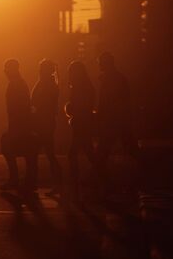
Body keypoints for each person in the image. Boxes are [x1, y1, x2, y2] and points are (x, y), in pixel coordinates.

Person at [95, 52, 139, 198]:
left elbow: (106, 102)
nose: (99, 65)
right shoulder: (119, 78)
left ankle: (106, 185)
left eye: (100, 62)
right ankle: (134, 183)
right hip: (120, 121)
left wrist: (100, 115)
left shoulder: (109, 79)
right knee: (131, 151)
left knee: (102, 154)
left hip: (112, 122)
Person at [0, 59, 38, 194]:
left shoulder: (16, 84)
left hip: (19, 125)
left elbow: (18, 108)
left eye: (6, 68)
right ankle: (27, 180)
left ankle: (17, 179)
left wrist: (15, 127)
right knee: (27, 153)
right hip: (21, 124)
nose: (5, 71)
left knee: (9, 148)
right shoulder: (19, 83)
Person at [64, 61, 95, 201]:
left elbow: (81, 105)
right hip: (84, 122)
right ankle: (98, 175)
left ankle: (74, 180)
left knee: (74, 153)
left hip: (81, 123)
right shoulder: (85, 86)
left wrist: (72, 110)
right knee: (88, 151)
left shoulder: (80, 87)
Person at [31, 59, 63, 193]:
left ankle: (34, 183)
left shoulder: (47, 85)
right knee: (45, 153)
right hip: (44, 122)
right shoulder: (47, 84)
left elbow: (36, 101)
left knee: (40, 153)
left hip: (45, 122)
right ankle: (55, 182)